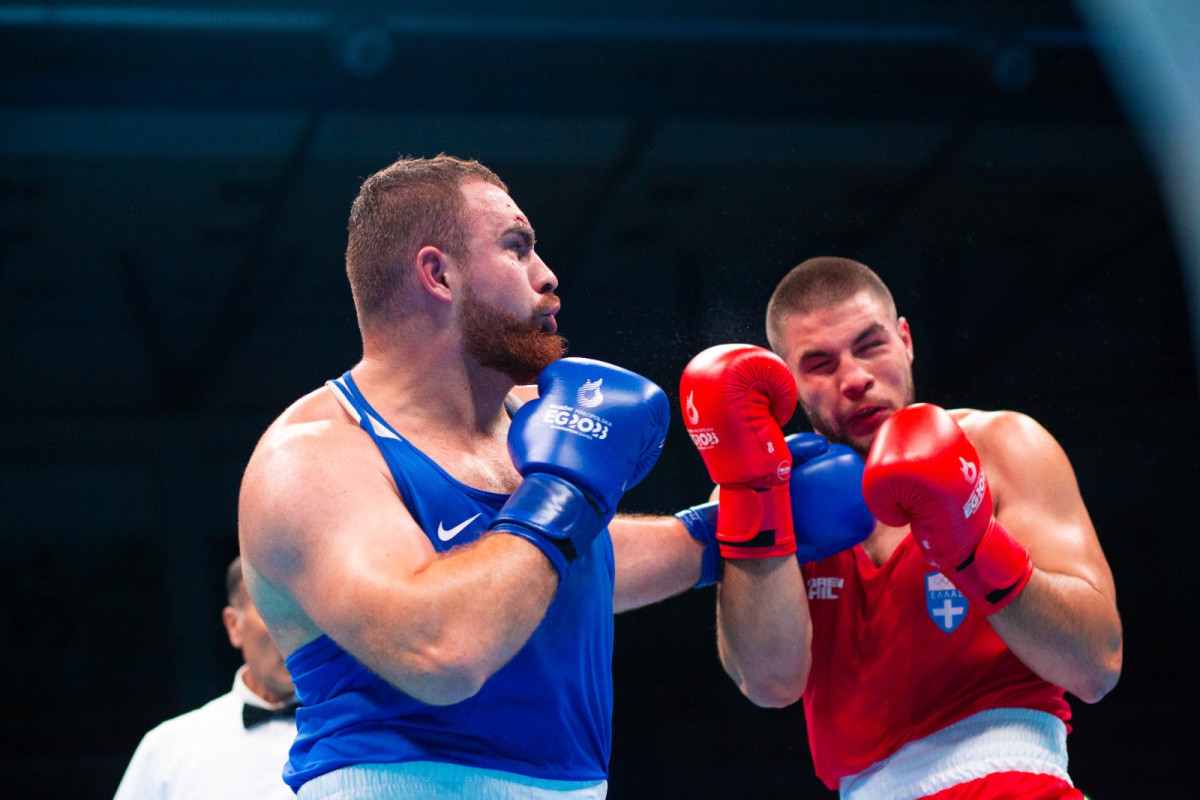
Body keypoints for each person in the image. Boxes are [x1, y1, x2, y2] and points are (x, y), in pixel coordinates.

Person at [236, 154, 722, 799]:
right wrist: (565, 492)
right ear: (438, 273)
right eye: (516, 248)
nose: (547, 276)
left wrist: (724, 529)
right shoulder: (315, 457)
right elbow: (440, 649)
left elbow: (560, 565)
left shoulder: (527, 425)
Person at [715, 255, 1124, 799]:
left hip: (1013, 780)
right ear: (786, 383)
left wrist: (973, 548)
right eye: (820, 363)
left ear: (905, 340)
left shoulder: (1001, 447)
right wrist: (756, 505)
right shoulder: (769, 497)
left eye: (870, 346)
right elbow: (770, 683)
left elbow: (1097, 665)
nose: (855, 379)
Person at [114, 556, 298, 800]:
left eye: (305, 612)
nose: (295, 629)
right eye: (274, 611)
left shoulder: (358, 729)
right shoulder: (169, 749)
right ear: (233, 626)